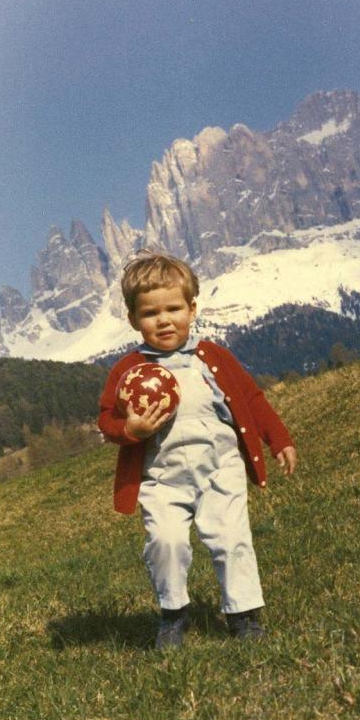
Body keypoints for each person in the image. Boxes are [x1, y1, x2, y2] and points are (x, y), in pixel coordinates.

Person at [98, 250, 297, 649]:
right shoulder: (128, 371)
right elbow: (106, 420)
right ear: (134, 319)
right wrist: (130, 429)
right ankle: (173, 614)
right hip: (163, 477)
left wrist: (279, 439)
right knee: (165, 542)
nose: (164, 320)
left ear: (192, 308)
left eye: (174, 309)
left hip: (219, 467)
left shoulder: (214, 357)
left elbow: (251, 399)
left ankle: (243, 616)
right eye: (151, 313)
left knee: (231, 537)